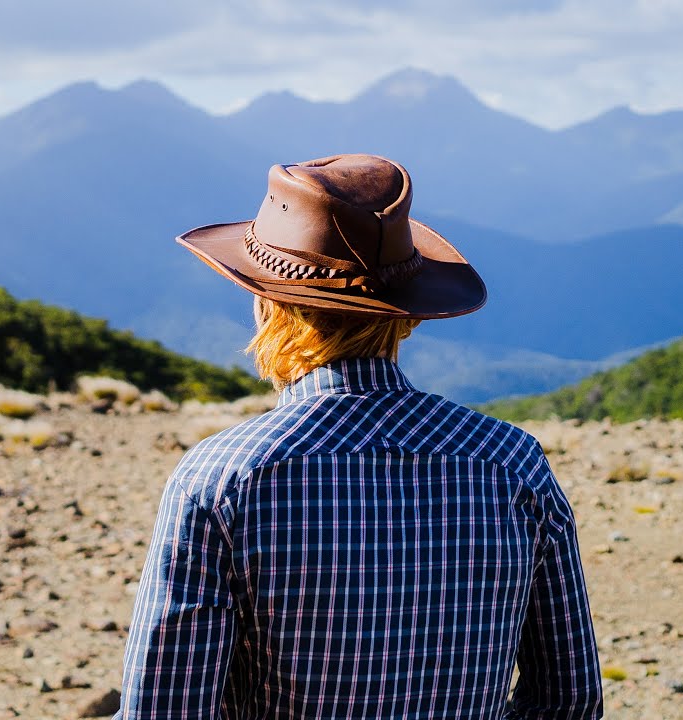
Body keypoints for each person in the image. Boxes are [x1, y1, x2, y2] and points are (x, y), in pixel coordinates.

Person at [116, 154, 602, 719]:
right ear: (407, 313)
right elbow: (569, 699)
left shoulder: (219, 479)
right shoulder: (511, 463)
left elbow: (164, 709)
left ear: (269, 304)